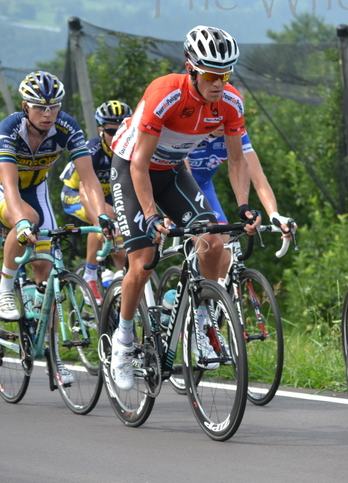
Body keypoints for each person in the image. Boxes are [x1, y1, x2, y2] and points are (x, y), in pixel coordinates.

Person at [109, 25, 259, 391]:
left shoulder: (230, 103)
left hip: (174, 170)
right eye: (210, 74)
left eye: (225, 74)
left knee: (213, 239)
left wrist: (242, 207)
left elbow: (238, 161)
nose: (218, 82)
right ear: (190, 67)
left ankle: (202, 316)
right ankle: (124, 341)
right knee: (144, 259)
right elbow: (139, 165)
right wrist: (150, 214)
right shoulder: (165, 93)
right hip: (132, 170)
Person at [0, 71, 112, 382]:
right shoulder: (10, 129)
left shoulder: (67, 127)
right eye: (40, 107)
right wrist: (21, 222)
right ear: (26, 106)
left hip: (36, 187)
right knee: (29, 220)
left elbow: (89, 181)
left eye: (54, 107)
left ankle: (51, 356)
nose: (48, 114)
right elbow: (10, 186)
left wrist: (99, 217)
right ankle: (6, 289)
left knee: (46, 270)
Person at [187, 123, 296, 277]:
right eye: (216, 120)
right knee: (208, 245)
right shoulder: (189, 129)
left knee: (223, 257)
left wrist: (274, 215)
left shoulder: (235, 132)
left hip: (204, 187)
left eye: (226, 120)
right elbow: (185, 178)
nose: (222, 125)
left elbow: (259, 179)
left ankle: (206, 298)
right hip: (177, 186)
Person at [60, 100, 132, 302]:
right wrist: (100, 220)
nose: (116, 136)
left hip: (109, 197)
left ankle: (125, 281)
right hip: (76, 193)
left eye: (122, 131)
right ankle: (90, 275)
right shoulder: (92, 151)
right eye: (111, 131)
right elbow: (86, 191)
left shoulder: (130, 151)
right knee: (104, 219)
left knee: (121, 244)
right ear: (101, 131)